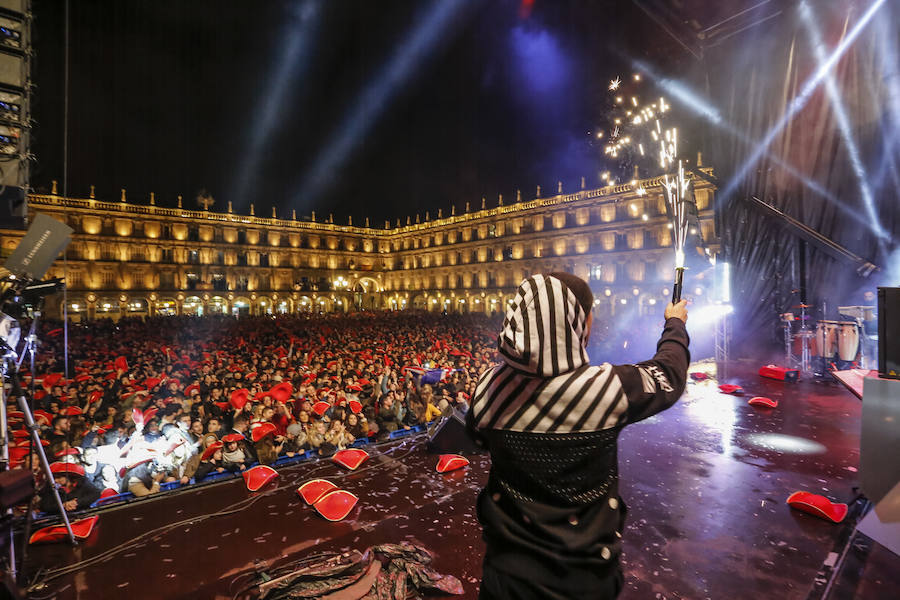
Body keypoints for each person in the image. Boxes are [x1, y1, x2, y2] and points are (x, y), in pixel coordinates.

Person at [468, 273, 690, 600]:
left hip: (504, 574)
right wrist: (675, 323)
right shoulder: (606, 388)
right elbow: (668, 374)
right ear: (580, 321)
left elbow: (478, 437)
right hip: (583, 579)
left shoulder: (488, 388)